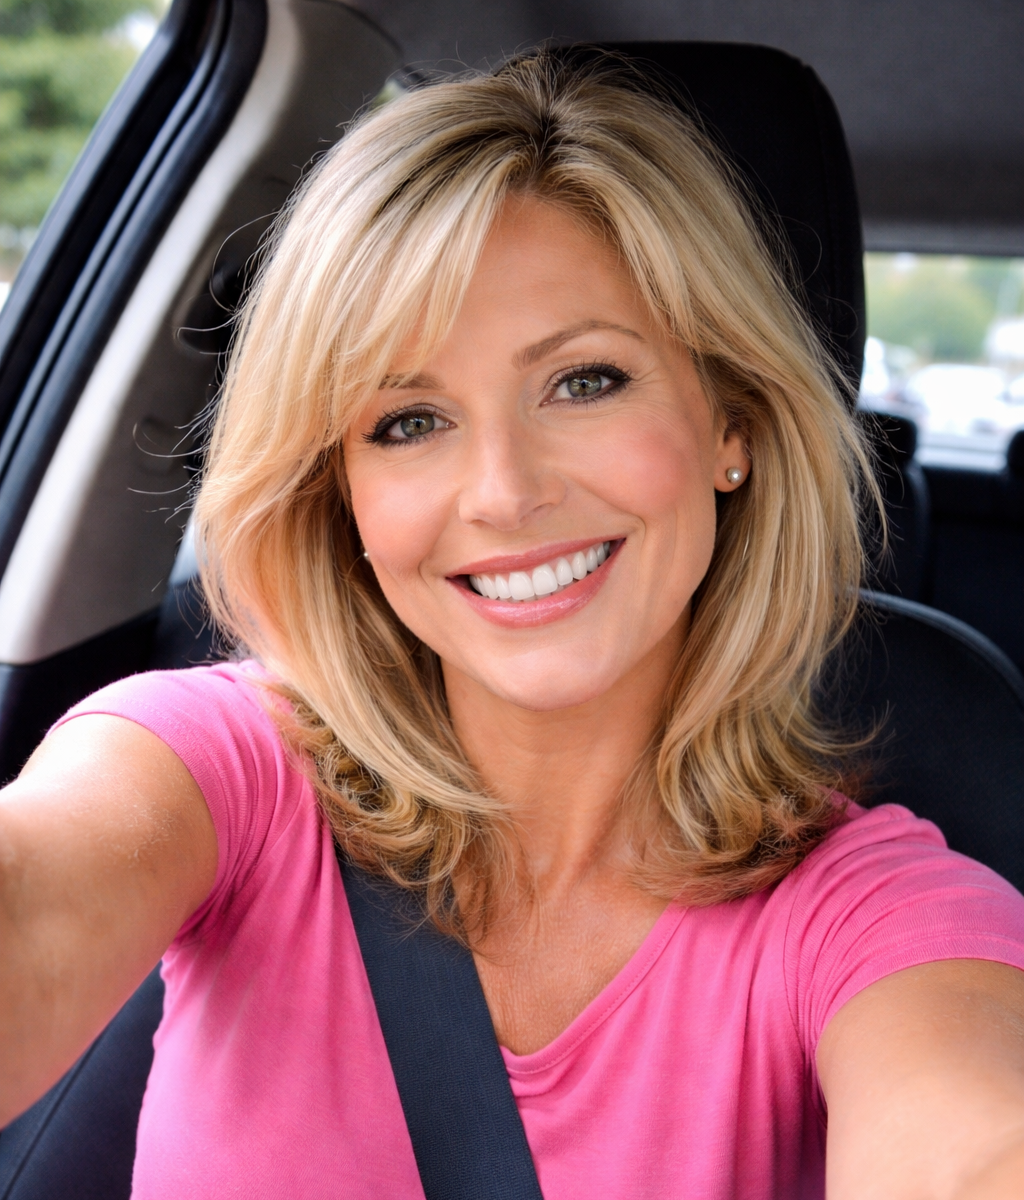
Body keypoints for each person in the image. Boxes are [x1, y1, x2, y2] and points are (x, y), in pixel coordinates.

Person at [2, 51, 1023, 1200]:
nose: (503, 492)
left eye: (583, 382)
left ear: (730, 424)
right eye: (407, 421)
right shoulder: (212, 765)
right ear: (340, 496)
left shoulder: (875, 911)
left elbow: (971, 1143)